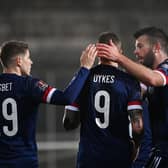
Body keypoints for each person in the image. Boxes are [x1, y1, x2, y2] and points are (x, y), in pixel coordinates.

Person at [0, 40, 97, 168]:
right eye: (28, 58)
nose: (31, 62)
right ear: (19, 61)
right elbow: (66, 98)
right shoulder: (29, 85)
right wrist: (85, 68)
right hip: (24, 160)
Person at [63, 32, 144, 168]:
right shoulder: (129, 81)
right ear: (120, 52)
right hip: (119, 156)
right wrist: (136, 146)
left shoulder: (82, 79)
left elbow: (69, 122)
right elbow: (138, 126)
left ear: (97, 52)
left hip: (89, 157)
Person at [97, 27, 168, 168]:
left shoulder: (163, 70)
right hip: (159, 151)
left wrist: (118, 57)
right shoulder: (149, 79)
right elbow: (132, 89)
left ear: (157, 47)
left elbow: (153, 79)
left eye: (140, 46)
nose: (135, 52)